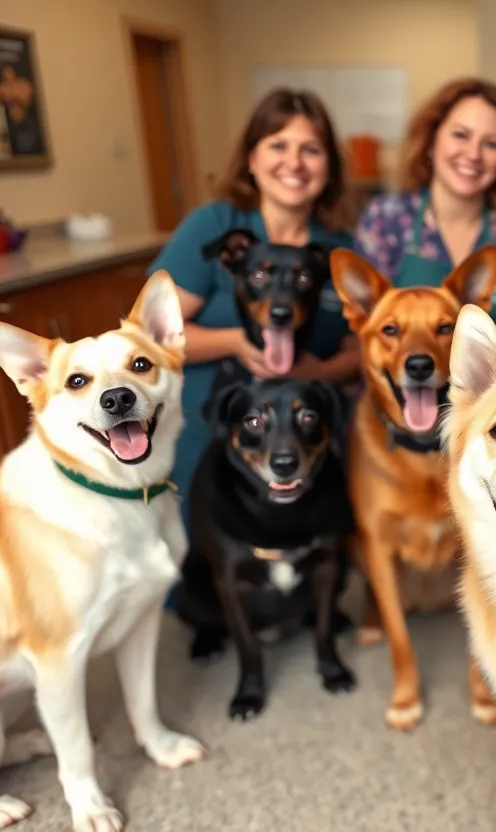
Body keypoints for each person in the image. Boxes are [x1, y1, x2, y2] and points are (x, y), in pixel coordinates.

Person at [147, 87, 360, 594]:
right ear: (251, 158)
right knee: (201, 573)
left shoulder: (339, 250)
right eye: (278, 146)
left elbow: (364, 350)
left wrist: (319, 372)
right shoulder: (219, 224)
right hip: (206, 431)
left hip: (306, 439)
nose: (295, 162)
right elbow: (149, 335)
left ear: (328, 166)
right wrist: (235, 343)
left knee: (319, 569)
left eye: (311, 149)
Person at [353, 77, 496, 344]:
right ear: (431, 141)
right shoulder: (386, 220)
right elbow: (366, 330)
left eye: (491, 144)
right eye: (461, 135)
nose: (473, 154)